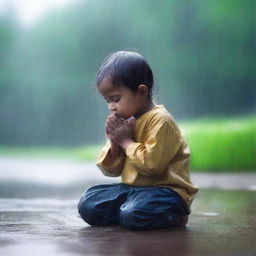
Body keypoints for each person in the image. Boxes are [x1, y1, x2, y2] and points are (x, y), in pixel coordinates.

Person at [78, 50, 198, 230]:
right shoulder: (126, 121)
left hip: (166, 193)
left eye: (115, 99)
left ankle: (174, 215)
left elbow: (152, 166)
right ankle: (128, 213)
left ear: (141, 92)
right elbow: (110, 171)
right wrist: (114, 142)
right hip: (133, 192)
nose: (111, 107)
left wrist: (126, 142)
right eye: (107, 101)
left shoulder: (161, 121)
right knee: (88, 202)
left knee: (133, 213)